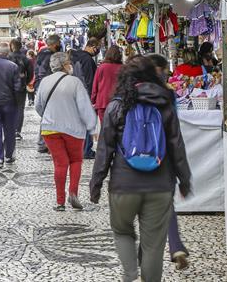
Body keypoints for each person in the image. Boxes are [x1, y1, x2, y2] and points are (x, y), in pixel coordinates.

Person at [89, 55, 192, 282]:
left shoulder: (117, 105)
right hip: (160, 187)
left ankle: (130, 273)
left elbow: (105, 148)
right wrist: (185, 180)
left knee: (123, 231)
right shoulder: (166, 103)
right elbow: (177, 146)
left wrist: (96, 183)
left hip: (123, 186)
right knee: (153, 244)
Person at [36, 52, 99, 211]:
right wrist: (92, 127)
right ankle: (73, 192)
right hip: (73, 129)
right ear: (65, 65)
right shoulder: (75, 82)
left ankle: (60, 202)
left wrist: (49, 115)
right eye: (69, 62)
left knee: (59, 163)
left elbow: (38, 105)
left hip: (50, 129)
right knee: (75, 161)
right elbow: (84, 107)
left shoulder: (44, 82)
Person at [148, 53, 190, 271]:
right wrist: (183, 176)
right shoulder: (169, 95)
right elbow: (175, 135)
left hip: (139, 158)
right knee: (167, 205)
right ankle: (176, 246)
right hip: (163, 155)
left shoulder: (130, 92)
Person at [70, 37, 100, 158]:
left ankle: (79, 148)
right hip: (85, 94)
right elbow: (89, 80)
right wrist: (92, 98)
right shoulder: (87, 59)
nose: (97, 51)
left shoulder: (75, 56)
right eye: (97, 48)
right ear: (91, 46)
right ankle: (87, 150)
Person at [35, 34, 62, 153]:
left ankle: (44, 143)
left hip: (43, 87)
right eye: (59, 42)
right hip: (49, 88)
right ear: (55, 44)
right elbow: (43, 72)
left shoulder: (42, 54)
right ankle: (44, 143)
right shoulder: (50, 56)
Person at [91, 45, 124, 123]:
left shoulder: (101, 68)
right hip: (118, 102)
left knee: (105, 128)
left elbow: (95, 87)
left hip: (103, 102)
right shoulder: (123, 68)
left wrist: (93, 101)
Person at [9, 38, 34, 140]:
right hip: (21, 86)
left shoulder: (8, 57)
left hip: (9, 87)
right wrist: (26, 81)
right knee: (20, 109)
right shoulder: (25, 59)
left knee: (10, 108)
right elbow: (31, 73)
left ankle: (10, 129)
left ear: (12, 46)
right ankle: (17, 131)